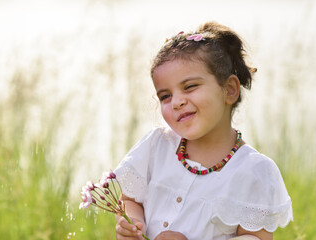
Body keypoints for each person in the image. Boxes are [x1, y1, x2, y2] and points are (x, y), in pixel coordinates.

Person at [114, 22, 293, 240]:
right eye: (165, 96)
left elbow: (256, 237)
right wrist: (132, 222)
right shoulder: (157, 146)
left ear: (229, 90)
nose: (177, 102)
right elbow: (130, 198)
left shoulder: (253, 171)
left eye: (190, 87)